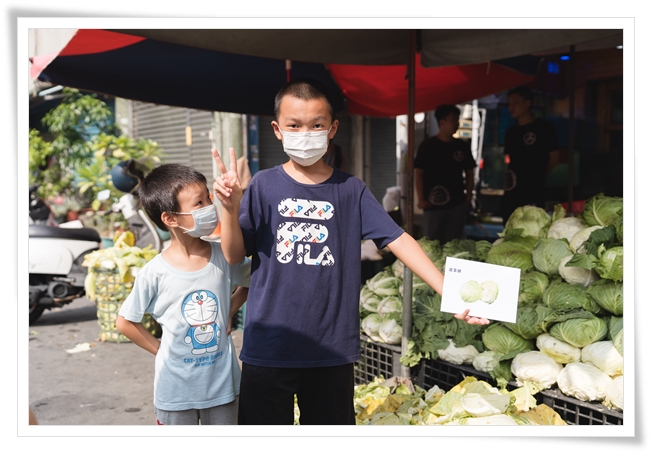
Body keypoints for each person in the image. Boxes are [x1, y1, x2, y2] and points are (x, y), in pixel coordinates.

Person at [211, 78, 488, 426]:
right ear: (277, 130)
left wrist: (447, 289)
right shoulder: (263, 186)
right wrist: (229, 207)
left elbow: (399, 239)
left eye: (317, 125)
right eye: (294, 125)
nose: (305, 133)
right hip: (269, 346)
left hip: (331, 348)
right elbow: (235, 255)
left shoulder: (351, 190)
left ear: (333, 128)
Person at [115, 163, 251, 425]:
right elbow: (125, 321)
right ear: (170, 218)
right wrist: (160, 349)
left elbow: (250, 281)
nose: (209, 207)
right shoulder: (154, 272)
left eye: (208, 198)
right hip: (174, 394)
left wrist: (228, 310)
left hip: (223, 390)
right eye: (198, 203)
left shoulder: (223, 256)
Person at [414, 104, 476, 243]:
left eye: (457, 119)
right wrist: (421, 199)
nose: (457, 123)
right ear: (442, 122)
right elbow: (419, 174)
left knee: (453, 244)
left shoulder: (462, 146)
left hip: (457, 204)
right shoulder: (427, 145)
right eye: (453, 119)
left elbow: (470, 173)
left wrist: (468, 198)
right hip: (432, 204)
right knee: (430, 243)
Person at [501, 85, 561, 224]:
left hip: (534, 191)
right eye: (509, 104)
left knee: (531, 231)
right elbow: (509, 159)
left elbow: (555, 159)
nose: (511, 108)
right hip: (511, 191)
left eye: (515, 103)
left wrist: (537, 175)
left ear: (527, 103)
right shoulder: (511, 131)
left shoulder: (544, 128)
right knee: (509, 231)